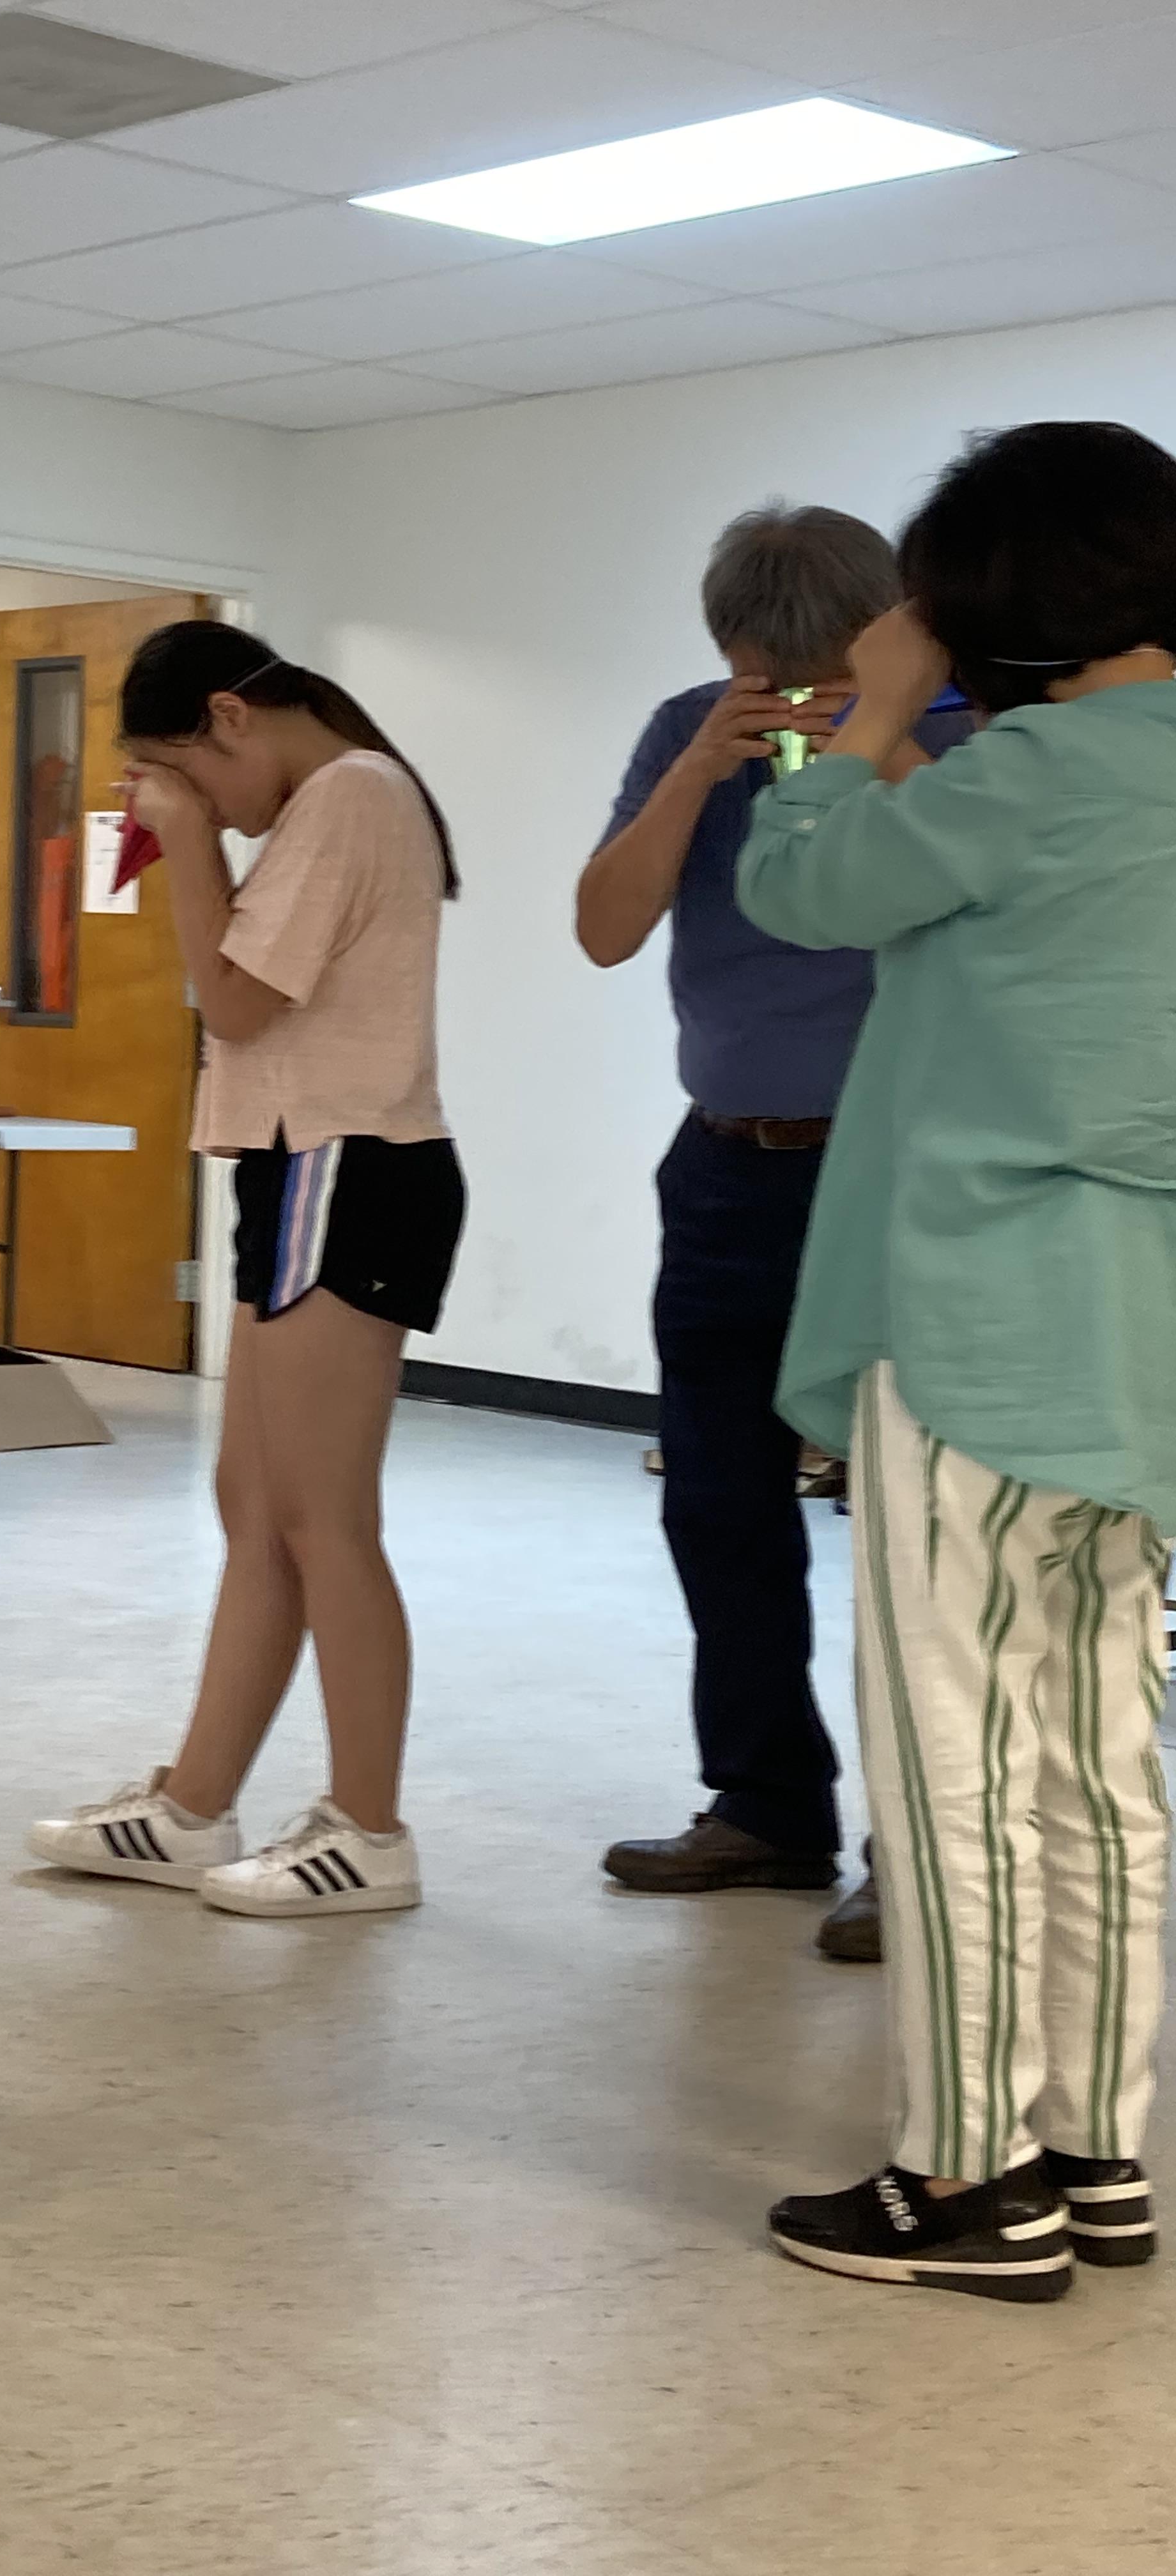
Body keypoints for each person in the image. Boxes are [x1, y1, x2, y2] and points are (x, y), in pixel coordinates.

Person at [742, 421, 1176, 2301]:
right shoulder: (1099, 779)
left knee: (956, 1769)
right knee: (1104, 1753)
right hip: (1144, 1352)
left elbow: (803, 882)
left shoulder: (1035, 775)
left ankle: (966, 2182)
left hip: (982, 1328)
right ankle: (1096, 2154)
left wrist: (864, 709)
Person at [577, 507, 975, 1957]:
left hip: (895, 1169)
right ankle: (766, 1805)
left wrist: (879, 737)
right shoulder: (690, 731)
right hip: (726, 1164)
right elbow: (605, 927)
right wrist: (699, 767)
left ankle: (916, 1849)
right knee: (716, 1501)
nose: (796, 697)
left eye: (827, 671)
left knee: (906, 1524)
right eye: (768, 673)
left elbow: (984, 899)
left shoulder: (970, 730)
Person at [29, 624, 464, 1917]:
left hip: (350, 1166)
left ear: (231, 717)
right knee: (257, 1506)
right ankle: (193, 1805)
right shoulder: (338, 799)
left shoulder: (350, 795)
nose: (203, 805)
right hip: (300, 1167)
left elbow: (233, 1002)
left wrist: (190, 848)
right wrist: (200, 833)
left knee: (324, 1519)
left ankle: (370, 1831)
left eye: (191, 775)